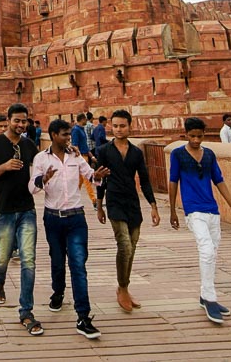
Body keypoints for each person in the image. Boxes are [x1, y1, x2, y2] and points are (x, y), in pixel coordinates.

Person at [29, 119, 110, 339]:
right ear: (53, 135)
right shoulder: (41, 158)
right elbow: (31, 188)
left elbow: (90, 176)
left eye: (69, 135)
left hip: (76, 217)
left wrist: (98, 177)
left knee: (78, 264)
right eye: (65, 135)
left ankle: (83, 316)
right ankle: (58, 292)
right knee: (57, 260)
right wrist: (43, 179)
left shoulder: (75, 156)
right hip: (53, 218)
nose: (68, 138)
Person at [169, 117, 231, 325]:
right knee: (207, 250)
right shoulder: (177, 154)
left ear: (204, 135)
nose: (195, 140)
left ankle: (205, 295)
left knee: (213, 252)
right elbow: (173, 181)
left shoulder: (209, 154)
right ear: (185, 134)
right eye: (192, 136)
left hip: (212, 210)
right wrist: (173, 210)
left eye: (199, 136)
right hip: (193, 210)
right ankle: (211, 299)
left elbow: (218, 180)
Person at [0, 103, 42, 336]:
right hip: (4, 209)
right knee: (2, 256)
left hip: (27, 208)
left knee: (29, 260)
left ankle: (26, 311)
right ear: (8, 120)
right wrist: (3, 167)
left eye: (23, 121)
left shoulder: (28, 145)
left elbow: (42, 164)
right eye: (16, 120)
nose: (20, 124)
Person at [94, 109, 159, 313]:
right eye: (115, 126)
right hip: (114, 201)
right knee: (125, 245)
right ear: (110, 127)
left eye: (122, 126)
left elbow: (145, 179)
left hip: (132, 202)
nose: (119, 129)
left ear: (130, 126)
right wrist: (99, 204)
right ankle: (122, 288)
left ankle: (124, 287)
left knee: (132, 245)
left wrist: (153, 206)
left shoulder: (136, 152)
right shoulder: (104, 150)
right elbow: (101, 178)